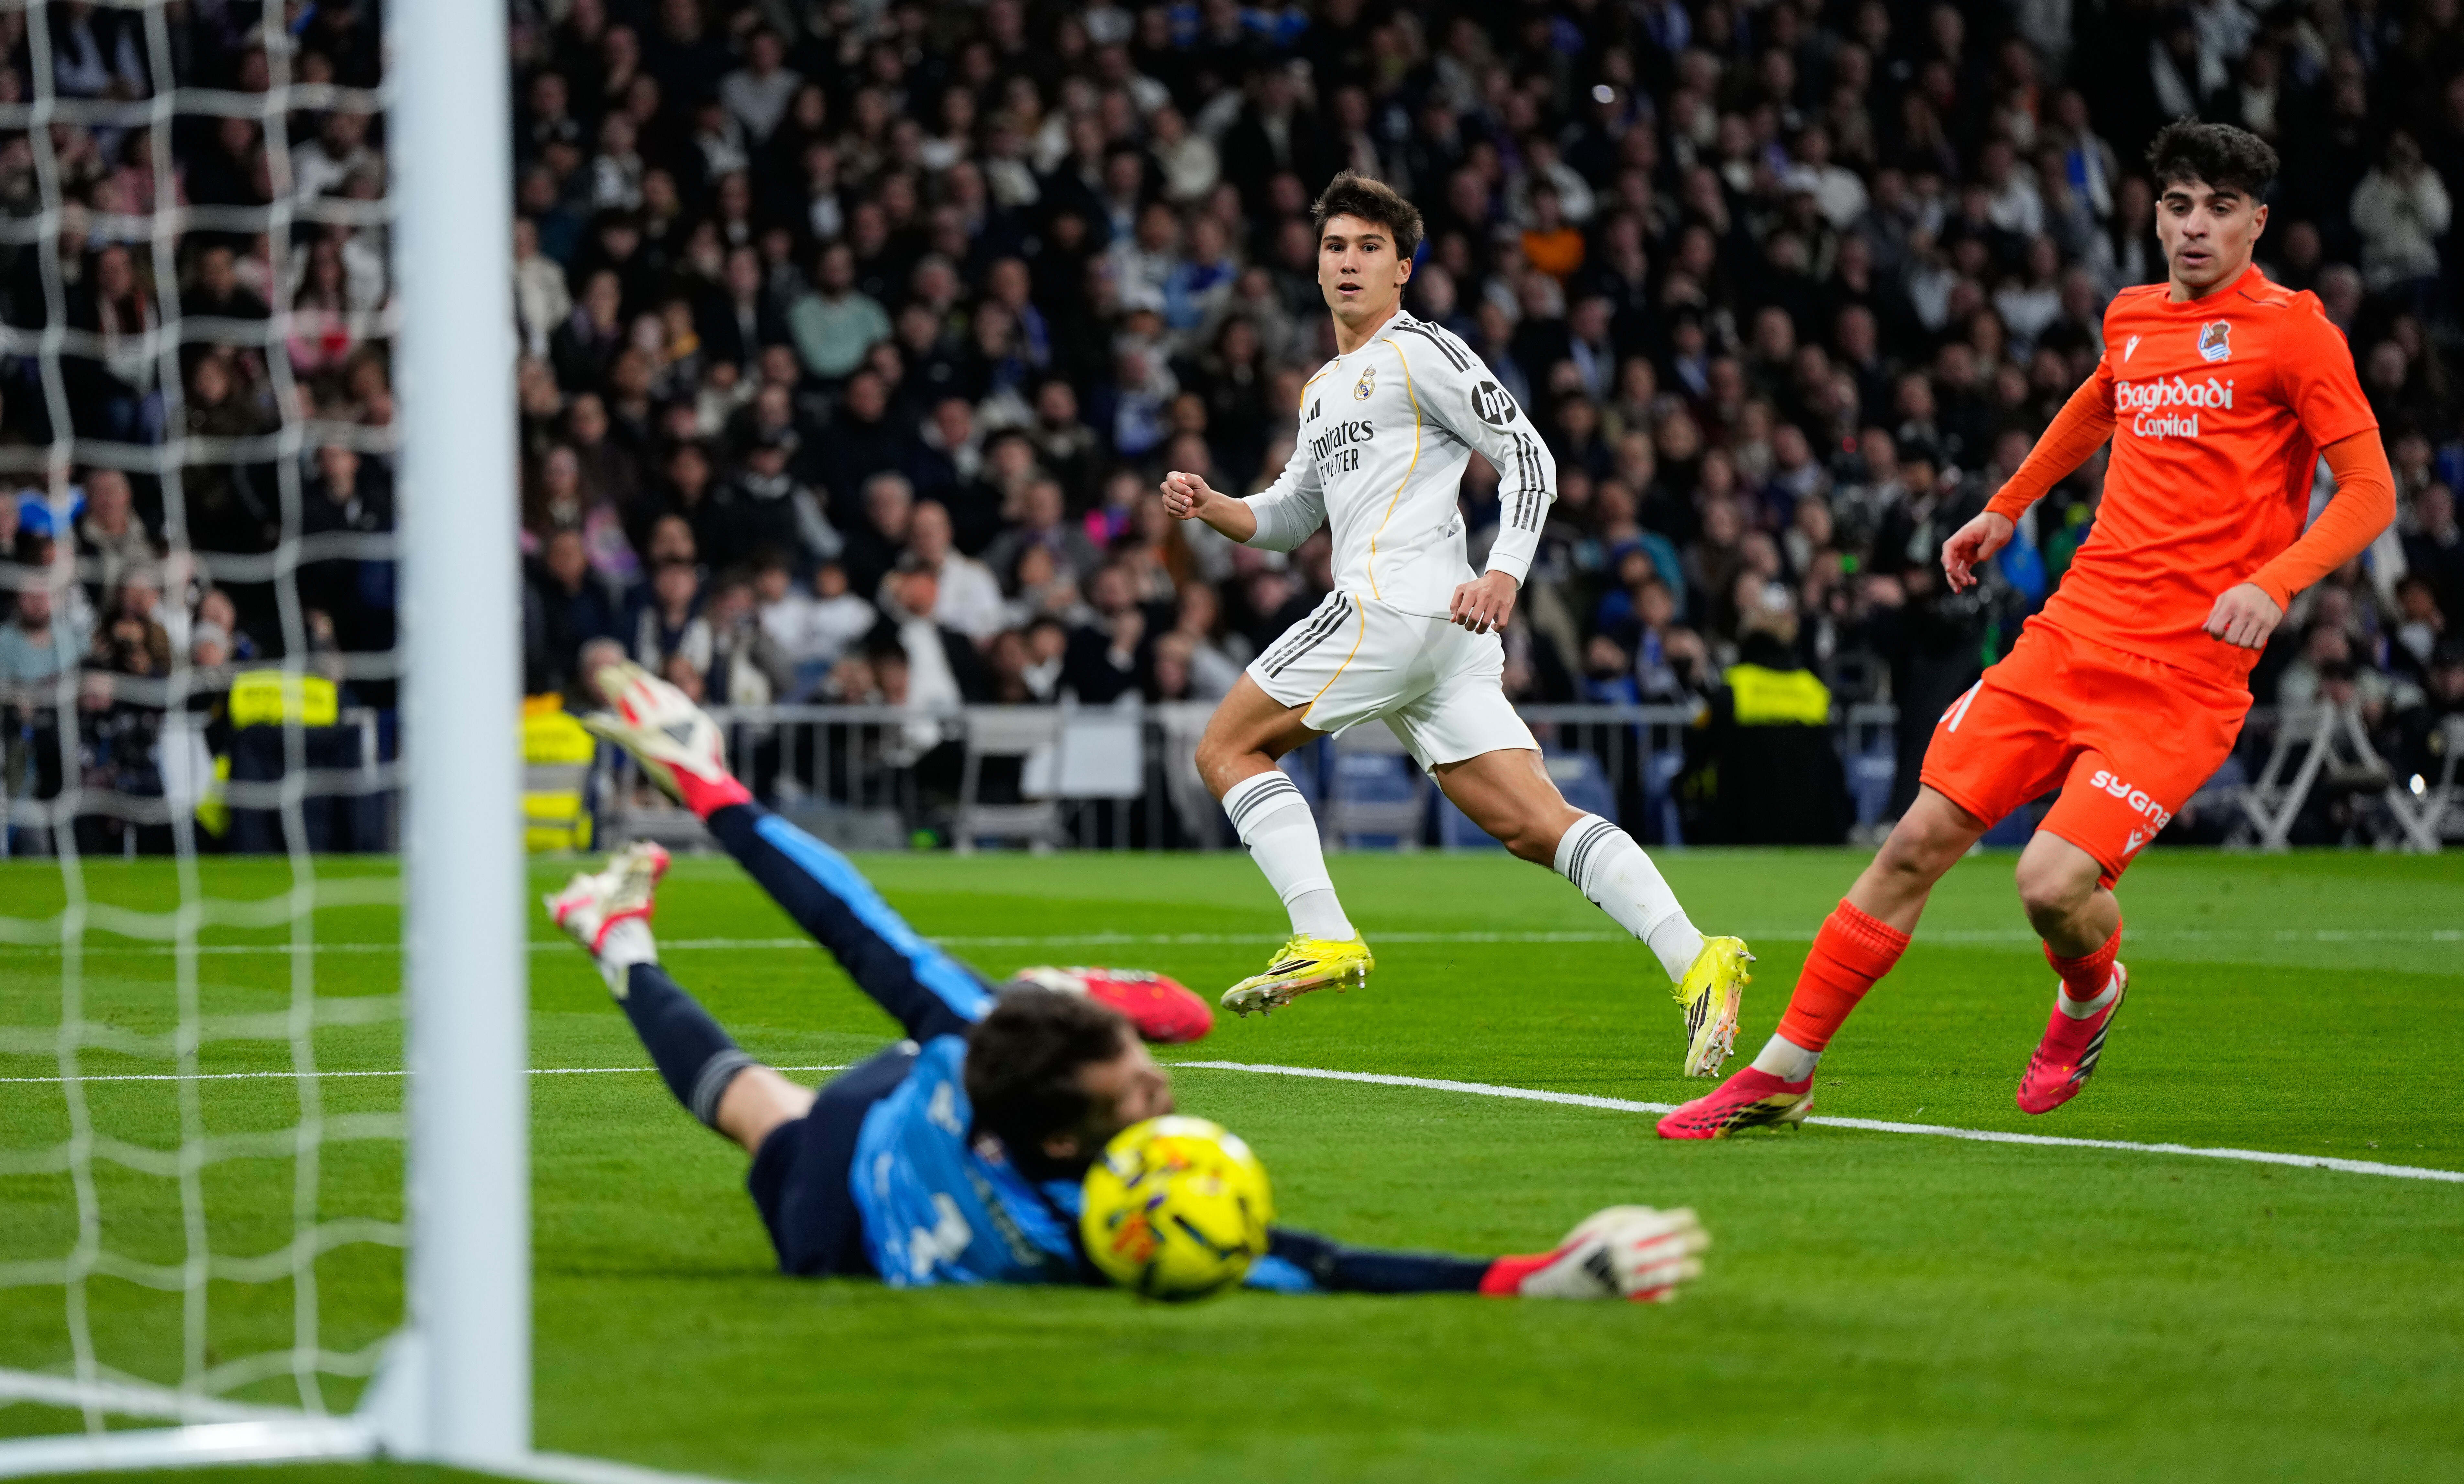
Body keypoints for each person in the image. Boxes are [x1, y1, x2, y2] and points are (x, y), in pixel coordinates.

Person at [1662, 120, 2397, 1139]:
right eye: (2179, 204)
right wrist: (2005, 506)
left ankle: (2091, 994)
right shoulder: (2133, 317)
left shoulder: (2296, 332)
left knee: (2050, 885)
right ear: (2154, 214)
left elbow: (2369, 490)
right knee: (1916, 839)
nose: (2195, 227)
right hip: (2068, 637)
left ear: (2256, 223)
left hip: (2185, 677)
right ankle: (1785, 1069)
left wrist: (2276, 585)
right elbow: (2097, 404)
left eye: (2221, 209)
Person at [566, 660, 1709, 1300]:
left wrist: (712, 783)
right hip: (857, 1221)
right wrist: (1524, 1276)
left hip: (855, 1186)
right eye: (1142, 1086)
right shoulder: (1107, 1223)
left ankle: (616, 938)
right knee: (758, 1109)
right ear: (1076, 1143)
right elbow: (1320, 1263)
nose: (1162, 1087)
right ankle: (616, 941)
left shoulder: (981, 1041)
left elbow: (851, 924)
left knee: (762, 1109)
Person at [1159, 172, 1749, 1075]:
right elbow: (1285, 520)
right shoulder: (1324, 388)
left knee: (1226, 749)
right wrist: (1213, 505)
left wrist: (1507, 567)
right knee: (1532, 822)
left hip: (1393, 607)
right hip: (1440, 639)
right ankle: (1697, 957)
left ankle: (1322, 933)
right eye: (1334, 247)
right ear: (1316, 269)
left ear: (1404, 268)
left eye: (1368, 248)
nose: (1349, 262)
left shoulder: (1420, 351)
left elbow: (1529, 456)